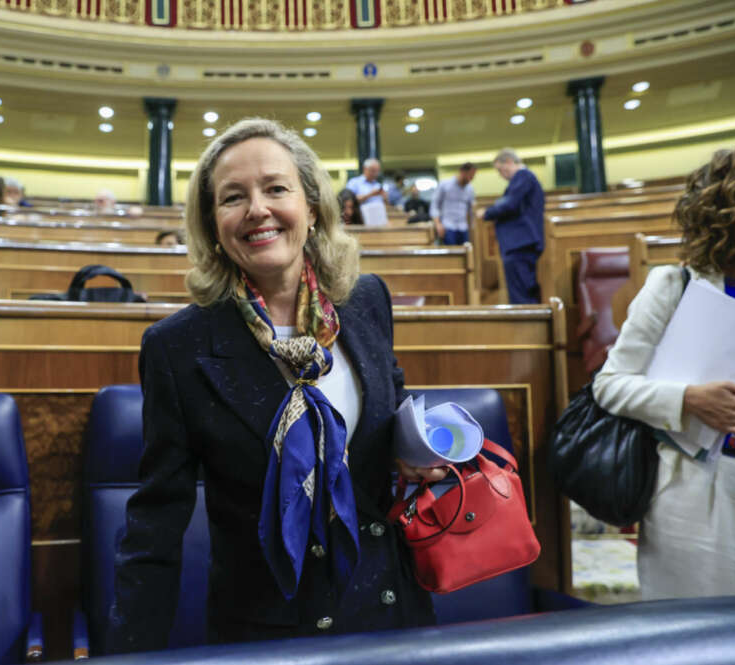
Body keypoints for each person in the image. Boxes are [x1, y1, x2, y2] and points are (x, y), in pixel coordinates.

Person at [107, 118, 443, 654]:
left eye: (276, 188)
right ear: (214, 225)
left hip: (393, 614)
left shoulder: (366, 302)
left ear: (312, 208)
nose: (256, 209)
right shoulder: (178, 348)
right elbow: (156, 523)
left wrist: (416, 448)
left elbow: (391, 404)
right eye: (232, 197)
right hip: (270, 636)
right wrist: (127, 652)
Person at [593, 145, 735, 600]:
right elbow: (609, 386)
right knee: (696, 641)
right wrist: (687, 397)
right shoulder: (676, 286)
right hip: (701, 489)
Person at [482, 148, 544, 304]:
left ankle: (526, 329)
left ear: (509, 162)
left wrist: (487, 213)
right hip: (519, 244)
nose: (500, 175)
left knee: (521, 295)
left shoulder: (523, 176)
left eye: (500, 170)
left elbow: (510, 204)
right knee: (521, 291)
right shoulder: (524, 178)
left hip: (520, 243)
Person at [431, 163, 476, 246]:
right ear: (462, 172)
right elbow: (434, 206)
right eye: (469, 175)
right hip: (448, 227)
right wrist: (438, 224)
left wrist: (472, 227)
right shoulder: (444, 185)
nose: (471, 179)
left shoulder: (470, 189)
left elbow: (471, 210)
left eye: (473, 176)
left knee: (466, 255)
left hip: (463, 228)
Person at [346, 158, 388, 227]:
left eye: (377, 171)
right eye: (373, 171)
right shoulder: (354, 182)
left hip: (379, 219)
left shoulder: (378, 185)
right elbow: (350, 201)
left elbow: (384, 204)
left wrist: (385, 198)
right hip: (360, 220)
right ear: (365, 169)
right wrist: (370, 194)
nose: (375, 174)